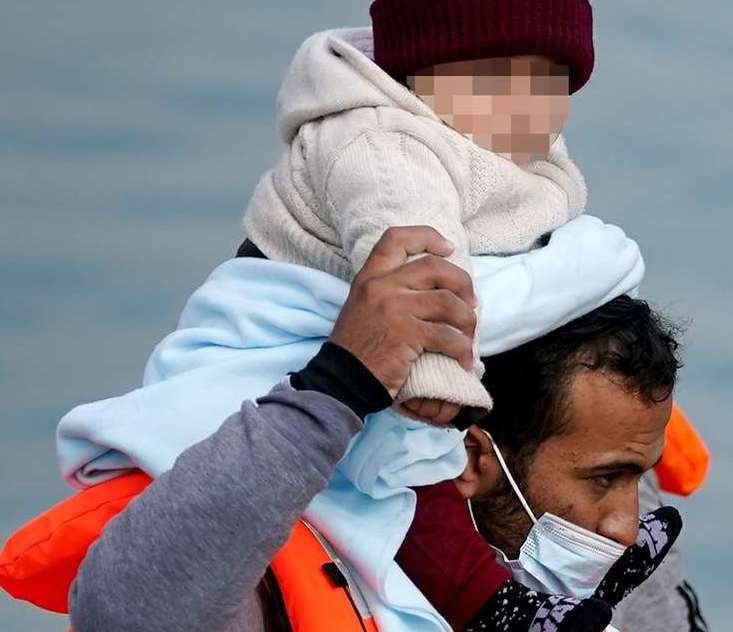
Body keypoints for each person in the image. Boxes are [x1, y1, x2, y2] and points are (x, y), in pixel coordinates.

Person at [68, 228, 683, 632]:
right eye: (606, 480)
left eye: (636, 477)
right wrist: (339, 386)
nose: (624, 526)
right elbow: (122, 614)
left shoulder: (613, 535)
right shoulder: (260, 573)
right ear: (470, 459)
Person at [240, 0, 595, 420]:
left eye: (550, 82)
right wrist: (435, 371)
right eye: (494, 81)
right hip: (296, 335)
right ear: (416, 75)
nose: (528, 105)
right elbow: (412, 251)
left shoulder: (507, 135)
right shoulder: (383, 144)